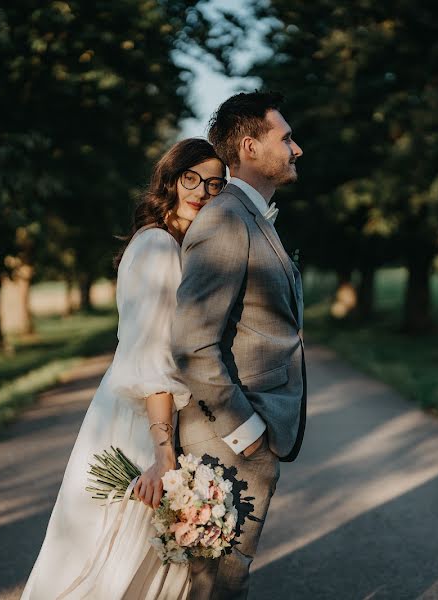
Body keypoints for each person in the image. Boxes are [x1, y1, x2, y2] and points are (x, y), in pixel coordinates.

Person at [21, 138, 227, 600]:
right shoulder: (158, 247)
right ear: (170, 181)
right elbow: (155, 358)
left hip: (130, 411)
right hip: (141, 423)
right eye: (191, 178)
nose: (201, 191)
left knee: (124, 558)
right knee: (119, 561)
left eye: (214, 184)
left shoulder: (167, 244)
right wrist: (164, 455)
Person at [171, 91, 307, 599]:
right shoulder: (227, 220)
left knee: (228, 582)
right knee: (219, 587)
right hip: (229, 443)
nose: (297, 149)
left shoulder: (251, 216)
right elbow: (191, 342)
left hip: (248, 438)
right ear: (249, 147)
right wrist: (246, 432)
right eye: (286, 138)